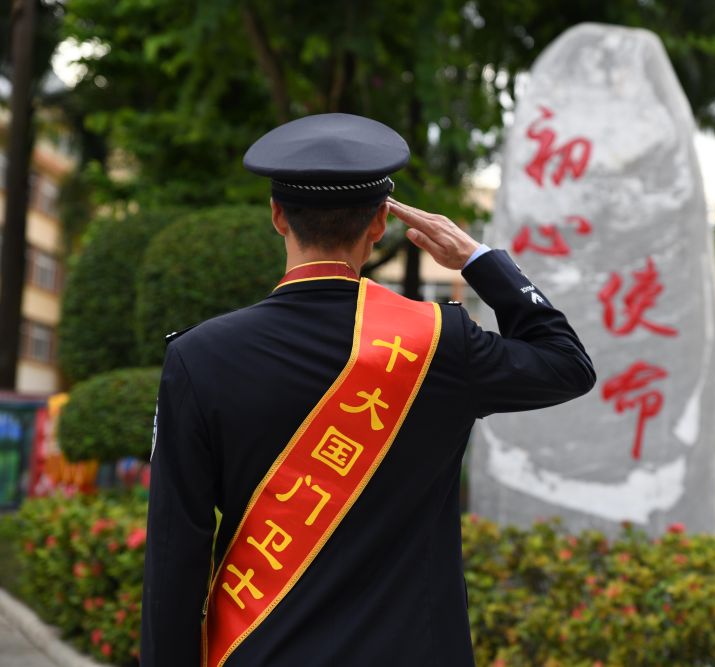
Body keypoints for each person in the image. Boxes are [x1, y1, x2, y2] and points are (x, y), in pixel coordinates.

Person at [140, 113, 595, 666]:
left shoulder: (198, 357)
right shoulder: (440, 344)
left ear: (278, 215)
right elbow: (567, 363)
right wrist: (477, 260)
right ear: (380, 221)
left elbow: (174, 555)